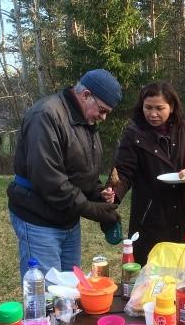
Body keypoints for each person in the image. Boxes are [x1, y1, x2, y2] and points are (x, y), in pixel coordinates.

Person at [7, 69, 122, 280]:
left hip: (67, 218)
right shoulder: (46, 116)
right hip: (38, 217)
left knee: (70, 290)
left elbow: (83, 171)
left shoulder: (86, 121)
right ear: (86, 95)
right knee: (48, 294)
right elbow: (50, 181)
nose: (103, 117)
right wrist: (92, 209)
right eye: (103, 110)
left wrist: (98, 194)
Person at [107, 81, 185, 266]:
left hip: (184, 211)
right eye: (148, 107)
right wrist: (113, 193)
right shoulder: (134, 133)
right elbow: (124, 172)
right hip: (150, 213)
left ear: (172, 107)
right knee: (152, 272)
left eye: (159, 108)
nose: (153, 114)